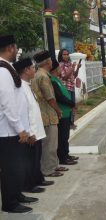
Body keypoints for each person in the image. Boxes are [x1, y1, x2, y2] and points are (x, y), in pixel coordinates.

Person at [0, 35, 37, 213]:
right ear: (10, 48)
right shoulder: (2, 70)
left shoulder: (7, 68)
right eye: (15, 47)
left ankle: (17, 195)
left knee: (18, 166)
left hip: (13, 129)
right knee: (10, 168)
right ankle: (10, 203)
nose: (16, 51)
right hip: (7, 131)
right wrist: (20, 128)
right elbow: (7, 103)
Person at [13, 58, 53, 195]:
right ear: (26, 70)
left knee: (36, 159)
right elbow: (24, 113)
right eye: (32, 67)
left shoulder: (27, 85)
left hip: (36, 131)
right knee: (30, 160)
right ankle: (29, 185)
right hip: (32, 133)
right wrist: (30, 133)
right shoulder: (20, 87)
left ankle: (37, 179)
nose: (34, 69)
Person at [32, 51, 66, 177]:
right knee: (49, 144)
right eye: (51, 60)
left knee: (52, 143)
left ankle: (54, 165)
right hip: (47, 114)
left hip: (45, 114)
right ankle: (48, 169)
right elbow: (50, 97)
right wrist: (58, 110)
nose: (52, 62)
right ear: (47, 62)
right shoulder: (43, 76)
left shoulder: (39, 74)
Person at [50, 60, 78, 166]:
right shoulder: (52, 80)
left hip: (66, 112)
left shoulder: (57, 79)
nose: (60, 70)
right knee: (61, 137)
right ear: (56, 69)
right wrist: (71, 103)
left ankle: (66, 154)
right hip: (62, 112)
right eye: (59, 68)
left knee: (65, 136)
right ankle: (62, 158)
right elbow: (59, 97)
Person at [58, 49, 80, 130]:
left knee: (73, 105)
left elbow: (74, 75)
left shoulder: (69, 64)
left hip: (71, 87)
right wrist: (71, 68)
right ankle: (68, 123)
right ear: (61, 55)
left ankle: (72, 122)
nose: (66, 56)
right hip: (65, 88)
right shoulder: (60, 65)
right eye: (64, 54)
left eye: (67, 54)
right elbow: (64, 77)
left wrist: (77, 68)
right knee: (68, 105)